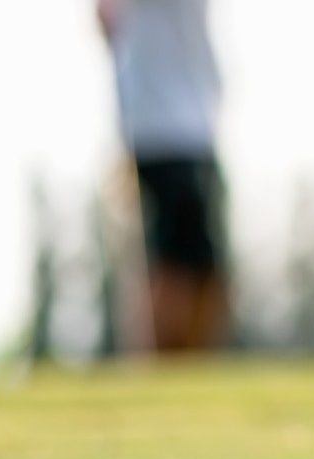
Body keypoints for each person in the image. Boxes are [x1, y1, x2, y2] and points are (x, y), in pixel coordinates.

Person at [98, 0, 230, 351]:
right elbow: (105, 16)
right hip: (156, 127)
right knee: (169, 264)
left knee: (206, 268)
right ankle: (156, 368)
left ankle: (189, 372)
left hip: (198, 126)